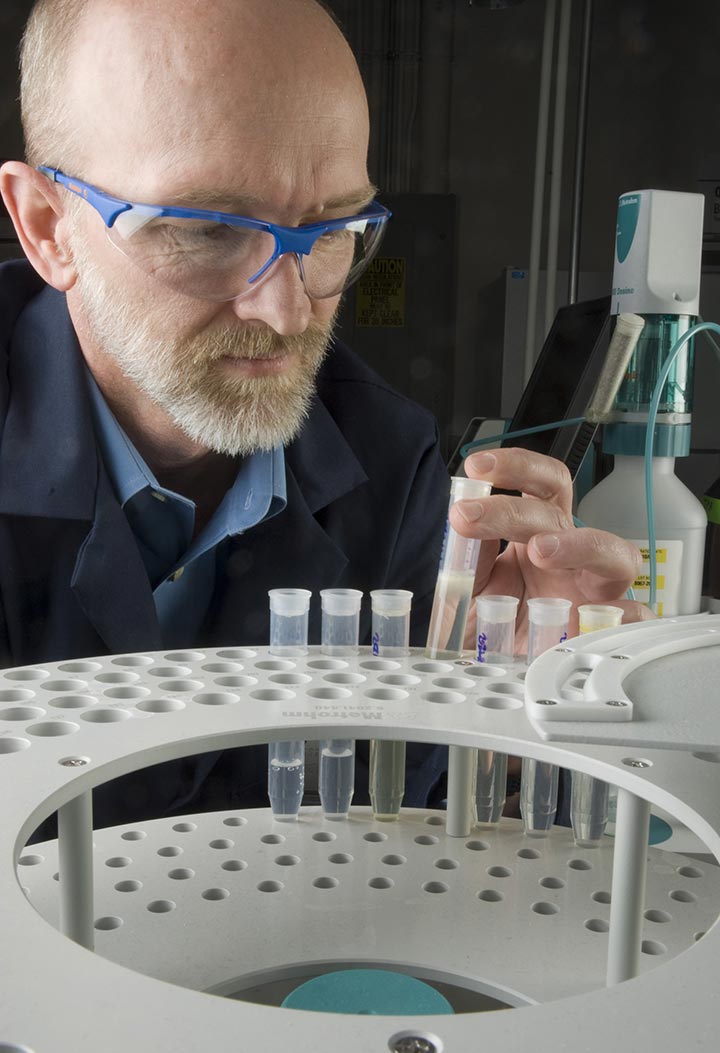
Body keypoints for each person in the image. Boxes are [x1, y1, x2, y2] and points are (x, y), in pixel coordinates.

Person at [0, 0, 645, 828]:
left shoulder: (392, 459)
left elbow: (398, 827)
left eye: (330, 227)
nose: (289, 313)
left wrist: (510, 707)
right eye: (205, 230)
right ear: (48, 228)